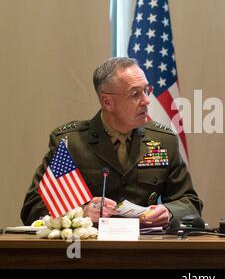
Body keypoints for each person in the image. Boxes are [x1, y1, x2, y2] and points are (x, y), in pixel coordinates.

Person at [21, 57, 203, 226]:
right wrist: (81, 213)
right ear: (107, 102)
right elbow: (33, 207)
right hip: (86, 252)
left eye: (147, 90)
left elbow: (190, 203)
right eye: (135, 94)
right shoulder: (71, 143)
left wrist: (168, 212)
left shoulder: (163, 140)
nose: (146, 101)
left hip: (144, 251)